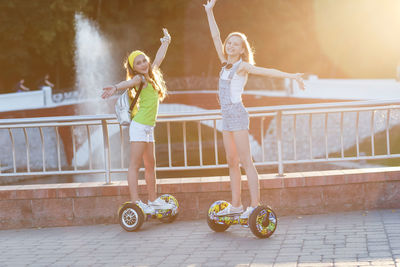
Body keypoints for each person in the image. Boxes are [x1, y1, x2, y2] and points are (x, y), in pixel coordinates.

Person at [204, 0, 305, 219]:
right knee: (231, 162)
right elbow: (214, 36)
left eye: (235, 44)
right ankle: (236, 205)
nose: (230, 45)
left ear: (242, 50)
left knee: (246, 161)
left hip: (238, 117)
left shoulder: (242, 67)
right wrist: (209, 11)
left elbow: (267, 71)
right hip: (226, 120)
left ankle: (255, 205)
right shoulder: (224, 64)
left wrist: (291, 76)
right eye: (229, 42)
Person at [101, 28, 173, 213]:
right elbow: (127, 84)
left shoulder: (152, 74)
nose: (143, 64)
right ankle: (136, 202)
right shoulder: (139, 78)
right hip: (139, 126)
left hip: (148, 127)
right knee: (135, 164)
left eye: (144, 60)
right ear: (134, 67)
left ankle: (152, 200)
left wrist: (166, 41)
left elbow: (159, 58)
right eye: (138, 62)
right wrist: (115, 87)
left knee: (151, 165)